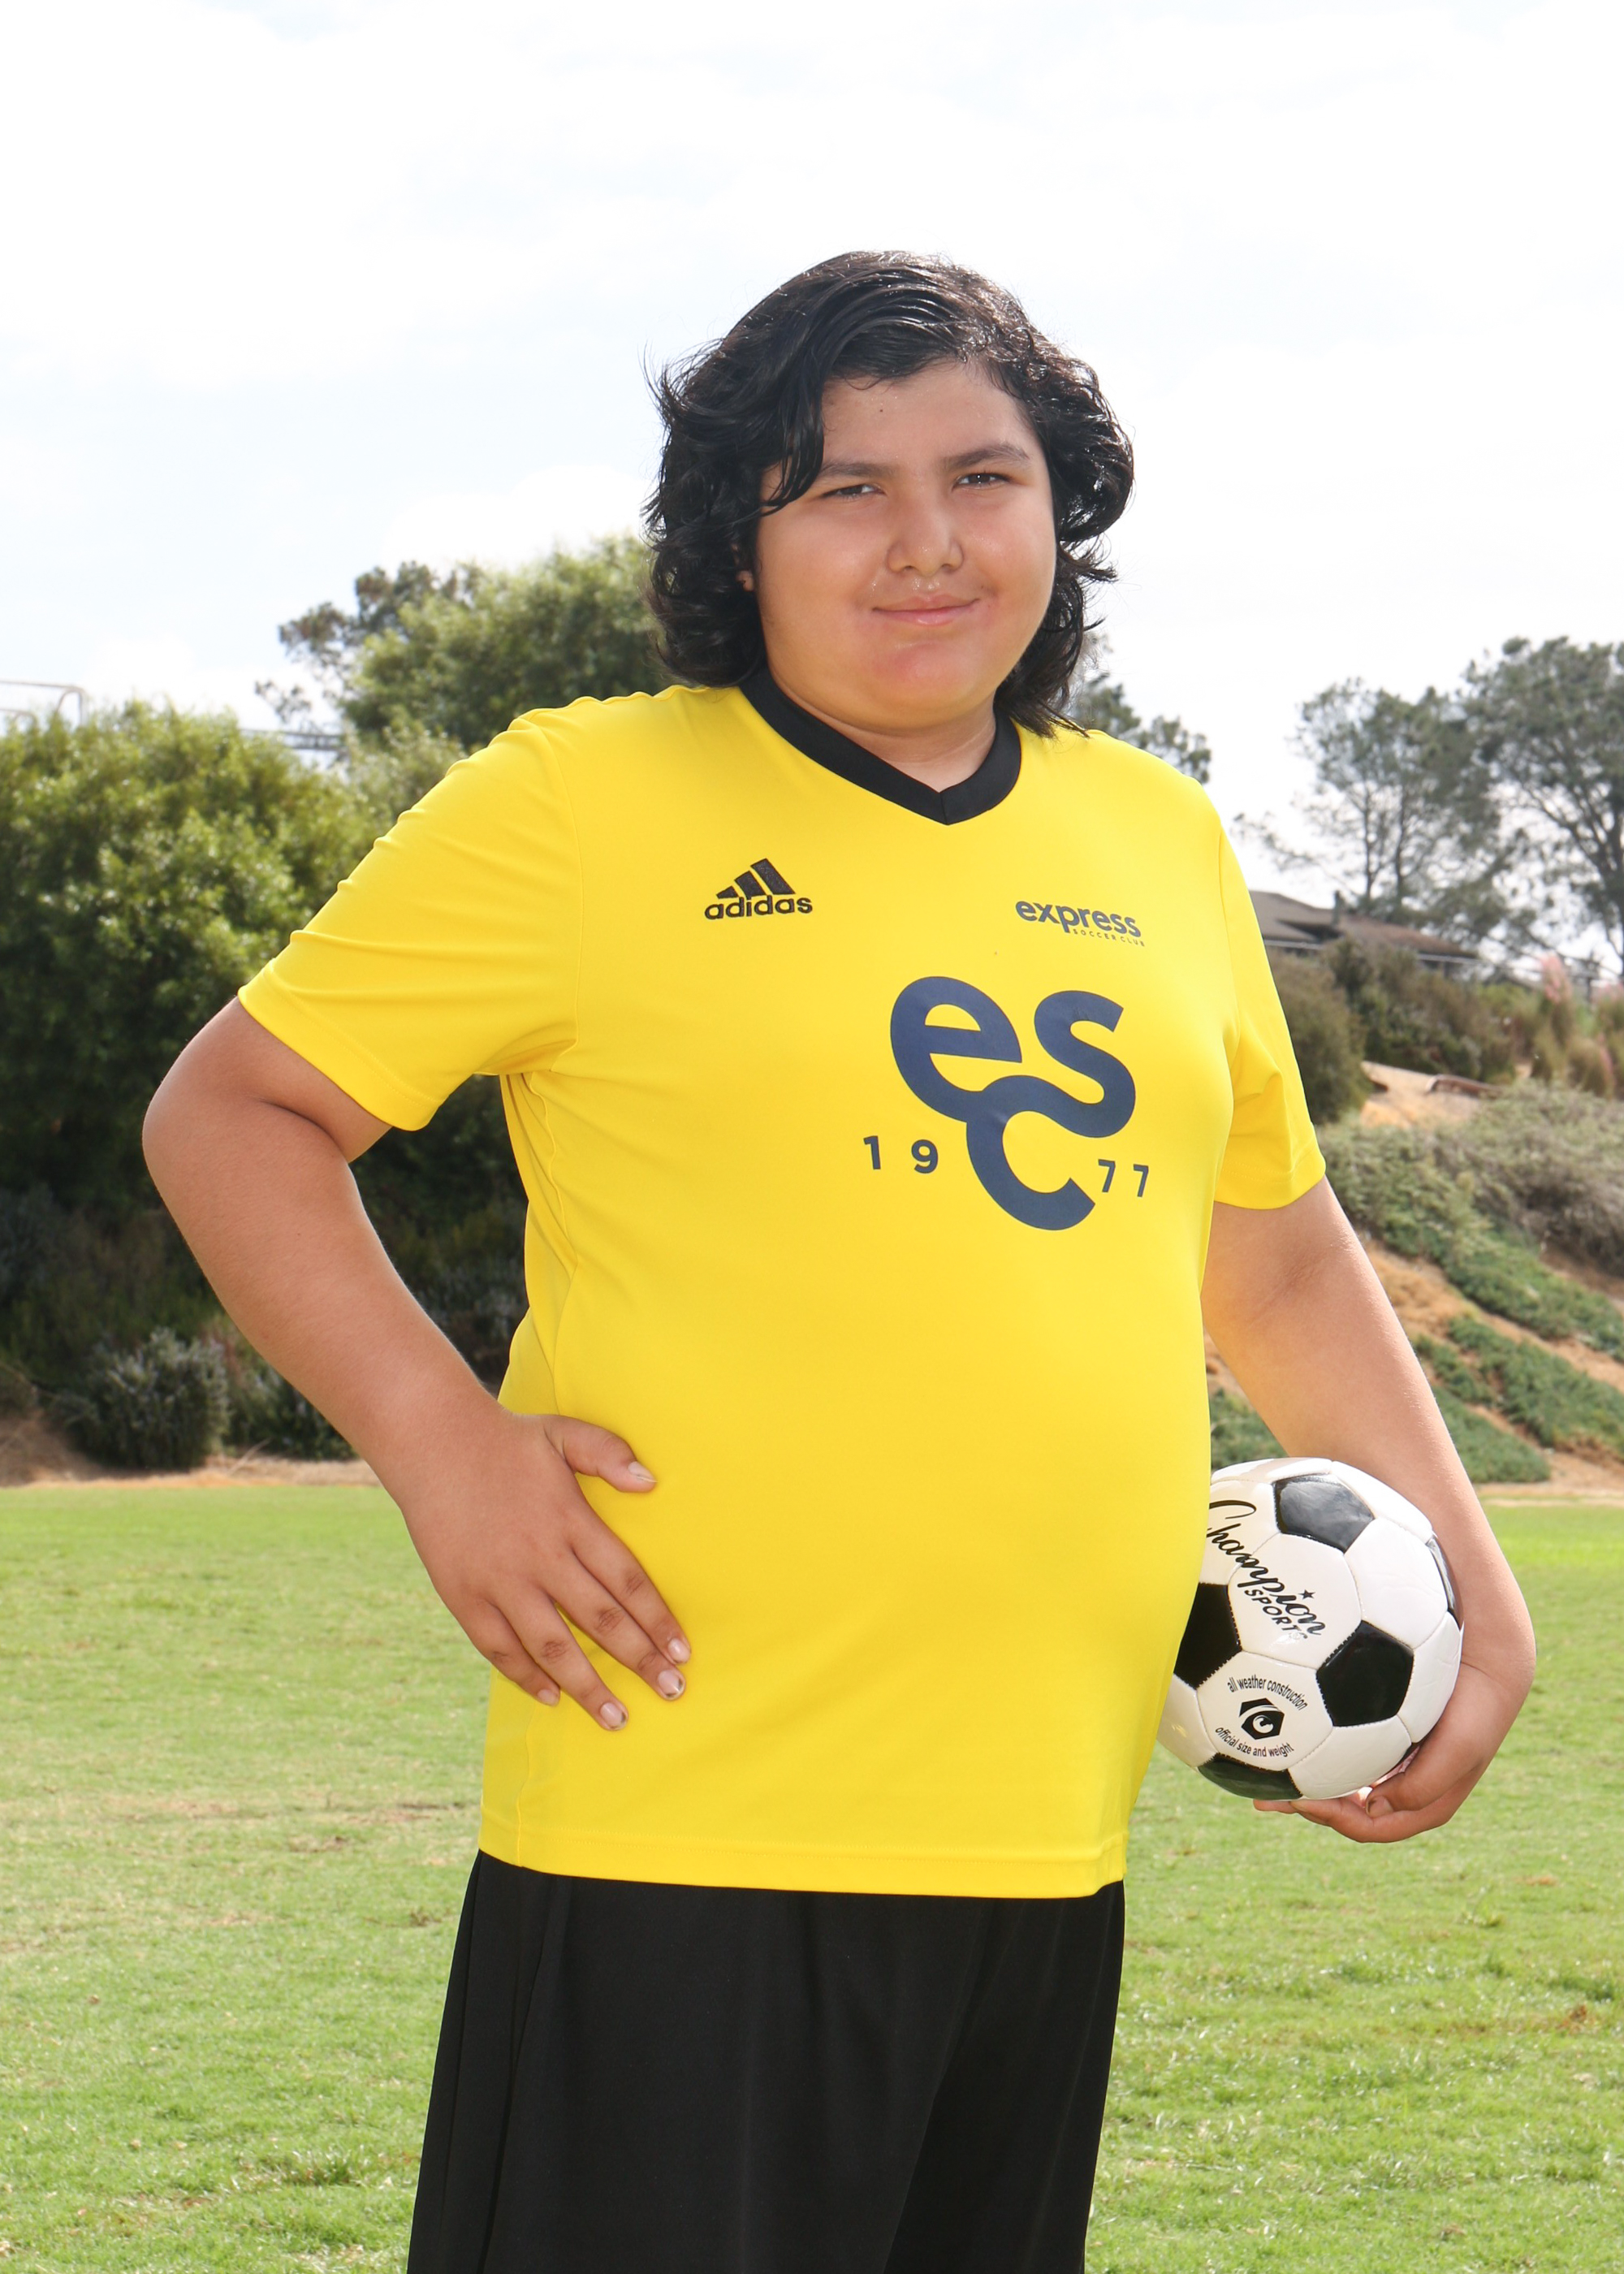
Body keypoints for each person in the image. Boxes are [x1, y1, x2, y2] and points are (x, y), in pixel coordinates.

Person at [143, 252, 1535, 2274]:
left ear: (1058, 514)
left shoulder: (1154, 839)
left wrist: (1476, 1595)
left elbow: (1276, 1256)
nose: (925, 541)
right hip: (680, 1835)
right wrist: (444, 1445)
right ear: (740, 536)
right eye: (844, 489)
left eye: (982, 477)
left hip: (1044, 1851)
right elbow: (234, 1113)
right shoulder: (581, 798)